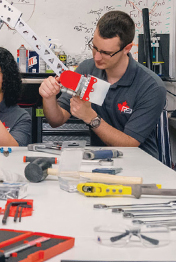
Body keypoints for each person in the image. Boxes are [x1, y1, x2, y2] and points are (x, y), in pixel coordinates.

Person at [38, 11, 167, 157]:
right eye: (94, 47)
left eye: (106, 52)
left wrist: (91, 118)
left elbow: (130, 145)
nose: (97, 57)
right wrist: (48, 97)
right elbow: (56, 120)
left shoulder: (151, 87)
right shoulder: (86, 70)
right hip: (100, 160)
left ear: (127, 48)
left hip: (140, 163)